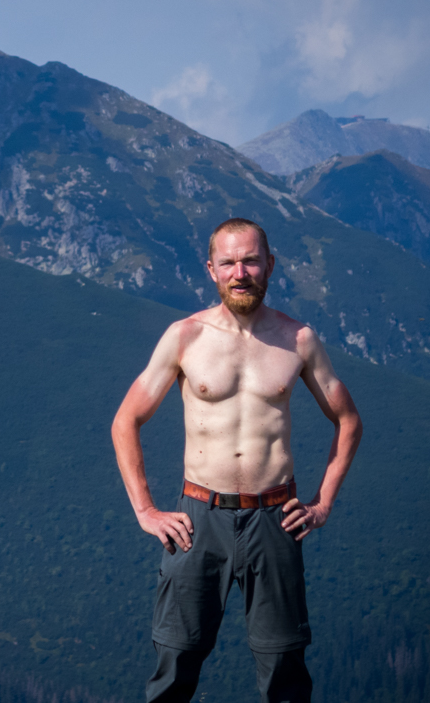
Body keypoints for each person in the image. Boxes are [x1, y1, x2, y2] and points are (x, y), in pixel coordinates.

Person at [111, 218, 363, 703]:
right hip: (197, 517)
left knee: (284, 665)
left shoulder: (299, 340)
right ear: (211, 270)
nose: (240, 272)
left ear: (270, 265)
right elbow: (126, 421)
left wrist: (322, 503)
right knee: (176, 659)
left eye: (250, 260)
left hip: (276, 517)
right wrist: (145, 510)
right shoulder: (184, 337)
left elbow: (348, 420)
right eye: (228, 262)